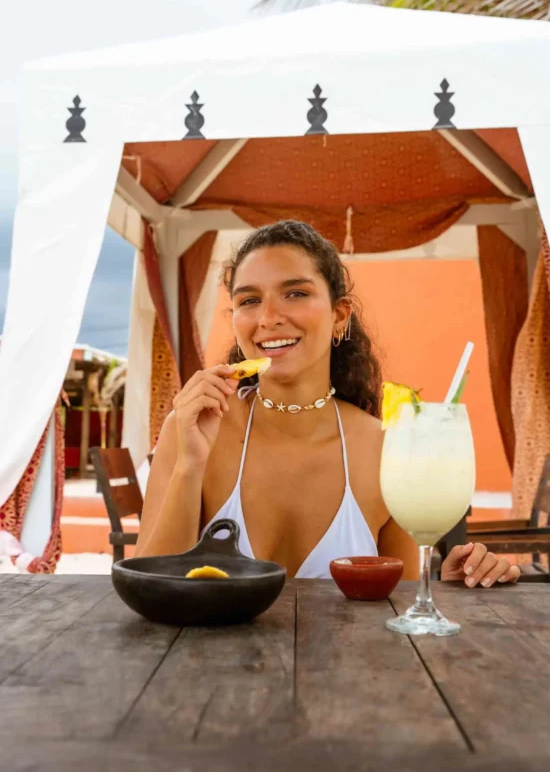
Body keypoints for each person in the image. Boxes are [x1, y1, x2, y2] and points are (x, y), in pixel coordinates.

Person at [136, 220, 520, 587]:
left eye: (296, 293)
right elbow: (147, 585)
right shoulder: (191, 428)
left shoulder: (384, 450)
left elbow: (398, 606)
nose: (268, 318)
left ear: (339, 317)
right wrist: (189, 465)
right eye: (249, 300)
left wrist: (450, 586)